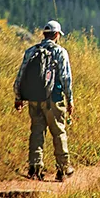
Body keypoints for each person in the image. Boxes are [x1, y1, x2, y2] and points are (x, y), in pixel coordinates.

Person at [13, 20, 75, 182]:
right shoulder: (61, 53)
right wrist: (70, 100)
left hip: (34, 99)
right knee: (58, 132)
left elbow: (20, 76)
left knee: (36, 132)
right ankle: (63, 169)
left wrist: (18, 97)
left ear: (44, 34)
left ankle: (35, 168)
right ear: (56, 35)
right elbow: (66, 78)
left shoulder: (31, 51)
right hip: (53, 99)